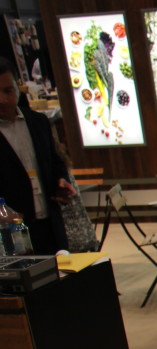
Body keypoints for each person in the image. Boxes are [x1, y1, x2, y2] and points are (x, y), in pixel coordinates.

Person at [0, 57, 76, 254]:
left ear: (19, 86)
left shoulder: (38, 122)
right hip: (13, 231)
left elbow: (55, 161)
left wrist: (62, 181)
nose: (3, 99)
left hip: (50, 223)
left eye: (8, 91)